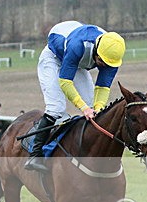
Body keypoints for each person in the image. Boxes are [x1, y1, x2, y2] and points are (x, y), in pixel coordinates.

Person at [24, 21, 126, 172]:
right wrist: (83, 108)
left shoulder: (112, 56)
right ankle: (34, 155)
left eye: (107, 64)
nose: (103, 66)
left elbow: (103, 87)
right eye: (101, 61)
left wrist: (97, 108)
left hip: (77, 63)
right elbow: (65, 82)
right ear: (96, 49)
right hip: (54, 57)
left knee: (94, 110)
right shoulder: (77, 46)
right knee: (56, 108)